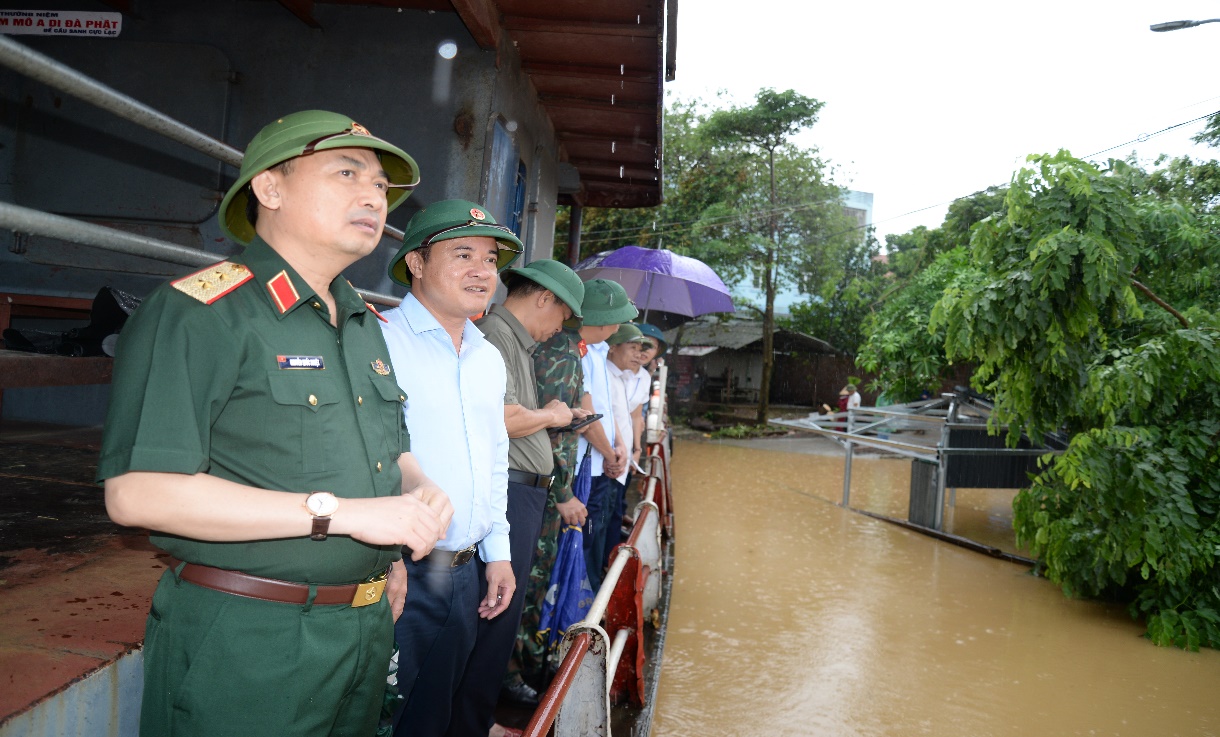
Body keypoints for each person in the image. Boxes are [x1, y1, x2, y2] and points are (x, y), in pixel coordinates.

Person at [96, 110, 455, 737]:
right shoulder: (201, 312)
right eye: (347, 173)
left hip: (365, 626)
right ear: (270, 188)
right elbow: (137, 494)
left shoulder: (361, 319)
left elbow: (386, 454)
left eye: (379, 185)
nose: (373, 195)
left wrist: (414, 498)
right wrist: (339, 513)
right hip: (247, 638)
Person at [378, 199, 525, 737]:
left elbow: (494, 459)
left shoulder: (487, 355)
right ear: (416, 263)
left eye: (490, 259)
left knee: (432, 718)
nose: (482, 271)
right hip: (400, 573)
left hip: (464, 576)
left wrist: (499, 553)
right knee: (381, 718)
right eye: (462, 254)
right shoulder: (381, 342)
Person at [465, 259, 587, 736]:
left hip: (523, 490)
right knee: (494, 613)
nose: (558, 328)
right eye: (560, 316)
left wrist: (551, 414)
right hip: (512, 489)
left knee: (500, 614)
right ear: (543, 298)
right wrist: (554, 417)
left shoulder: (514, 341)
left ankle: (480, 720)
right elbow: (505, 419)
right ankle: (477, 724)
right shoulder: (496, 335)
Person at [506, 278, 634, 694]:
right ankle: (515, 674)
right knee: (528, 582)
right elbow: (551, 432)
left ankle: (518, 668)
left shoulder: (568, 349)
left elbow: (565, 415)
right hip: (542, 487)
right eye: (615, 321)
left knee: (531, 580)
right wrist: (564, 495)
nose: (617, 330)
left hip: (545, 482)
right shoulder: (560, 351)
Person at [578, 289, 639, 593]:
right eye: (616, 321)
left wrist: (616, 448)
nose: (618, 329)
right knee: (585, 538)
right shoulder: (582, 352)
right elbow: (587, 414)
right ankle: (586, 602)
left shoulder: (598, 351)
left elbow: (605, 412)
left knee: (597, 532)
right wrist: (609, 452)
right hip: (584, 465)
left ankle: (593, 591)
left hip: (601, 462)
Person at [602, 323, 651, 566]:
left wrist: (634, 451)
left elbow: (631, 418)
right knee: (600, 526)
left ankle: (608, 568)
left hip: (619, 462)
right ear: (612, 347)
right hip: (608, 463)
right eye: (632, 348)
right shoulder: (605, 375)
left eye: (640, 349)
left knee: (612, 518)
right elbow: (602, 421)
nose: (637, 354)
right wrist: (613, 454)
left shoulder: (620, 377)